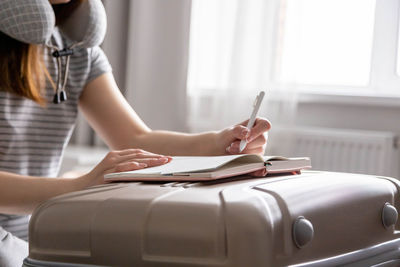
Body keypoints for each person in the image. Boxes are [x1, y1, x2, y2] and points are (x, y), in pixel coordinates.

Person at [0, 0, 270, 266]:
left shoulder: (75, 52)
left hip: (33, 232)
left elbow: (136, 139)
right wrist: (75, 187)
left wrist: (219, 143)